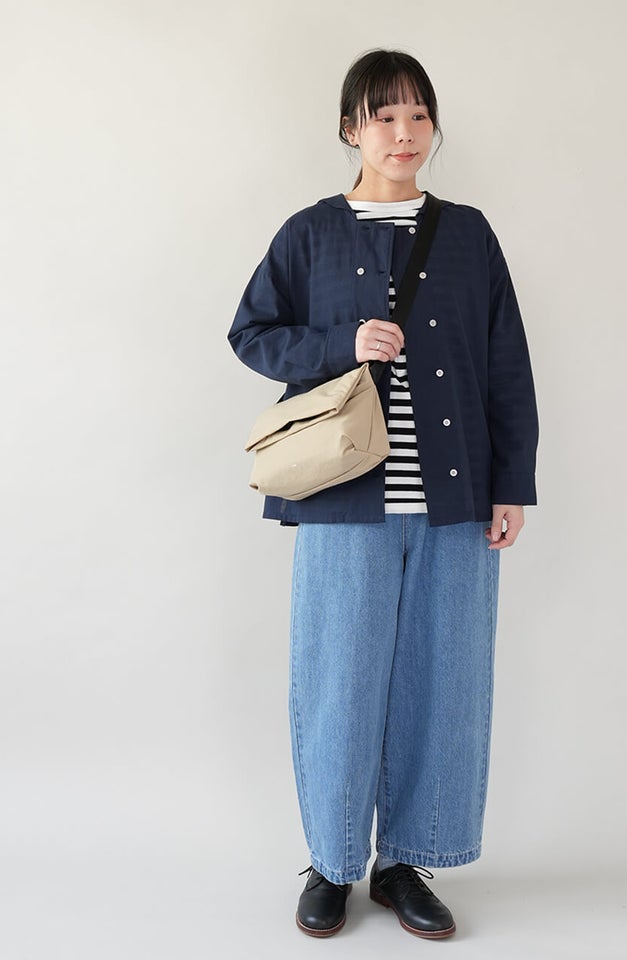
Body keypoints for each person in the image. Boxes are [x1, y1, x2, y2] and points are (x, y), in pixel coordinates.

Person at [228, 48, 539, 940]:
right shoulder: (310, 233)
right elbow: (251, 333)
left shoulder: (469, 234)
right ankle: (332, 864)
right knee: (340, 681)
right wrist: (340, 343)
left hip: (455, 503)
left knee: (444, 683)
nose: (404, 133)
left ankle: (406, 862)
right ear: (350, 128)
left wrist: (512, 483)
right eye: (384, 116)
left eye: (418, 115)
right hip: (343, 503)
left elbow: (507, 361)